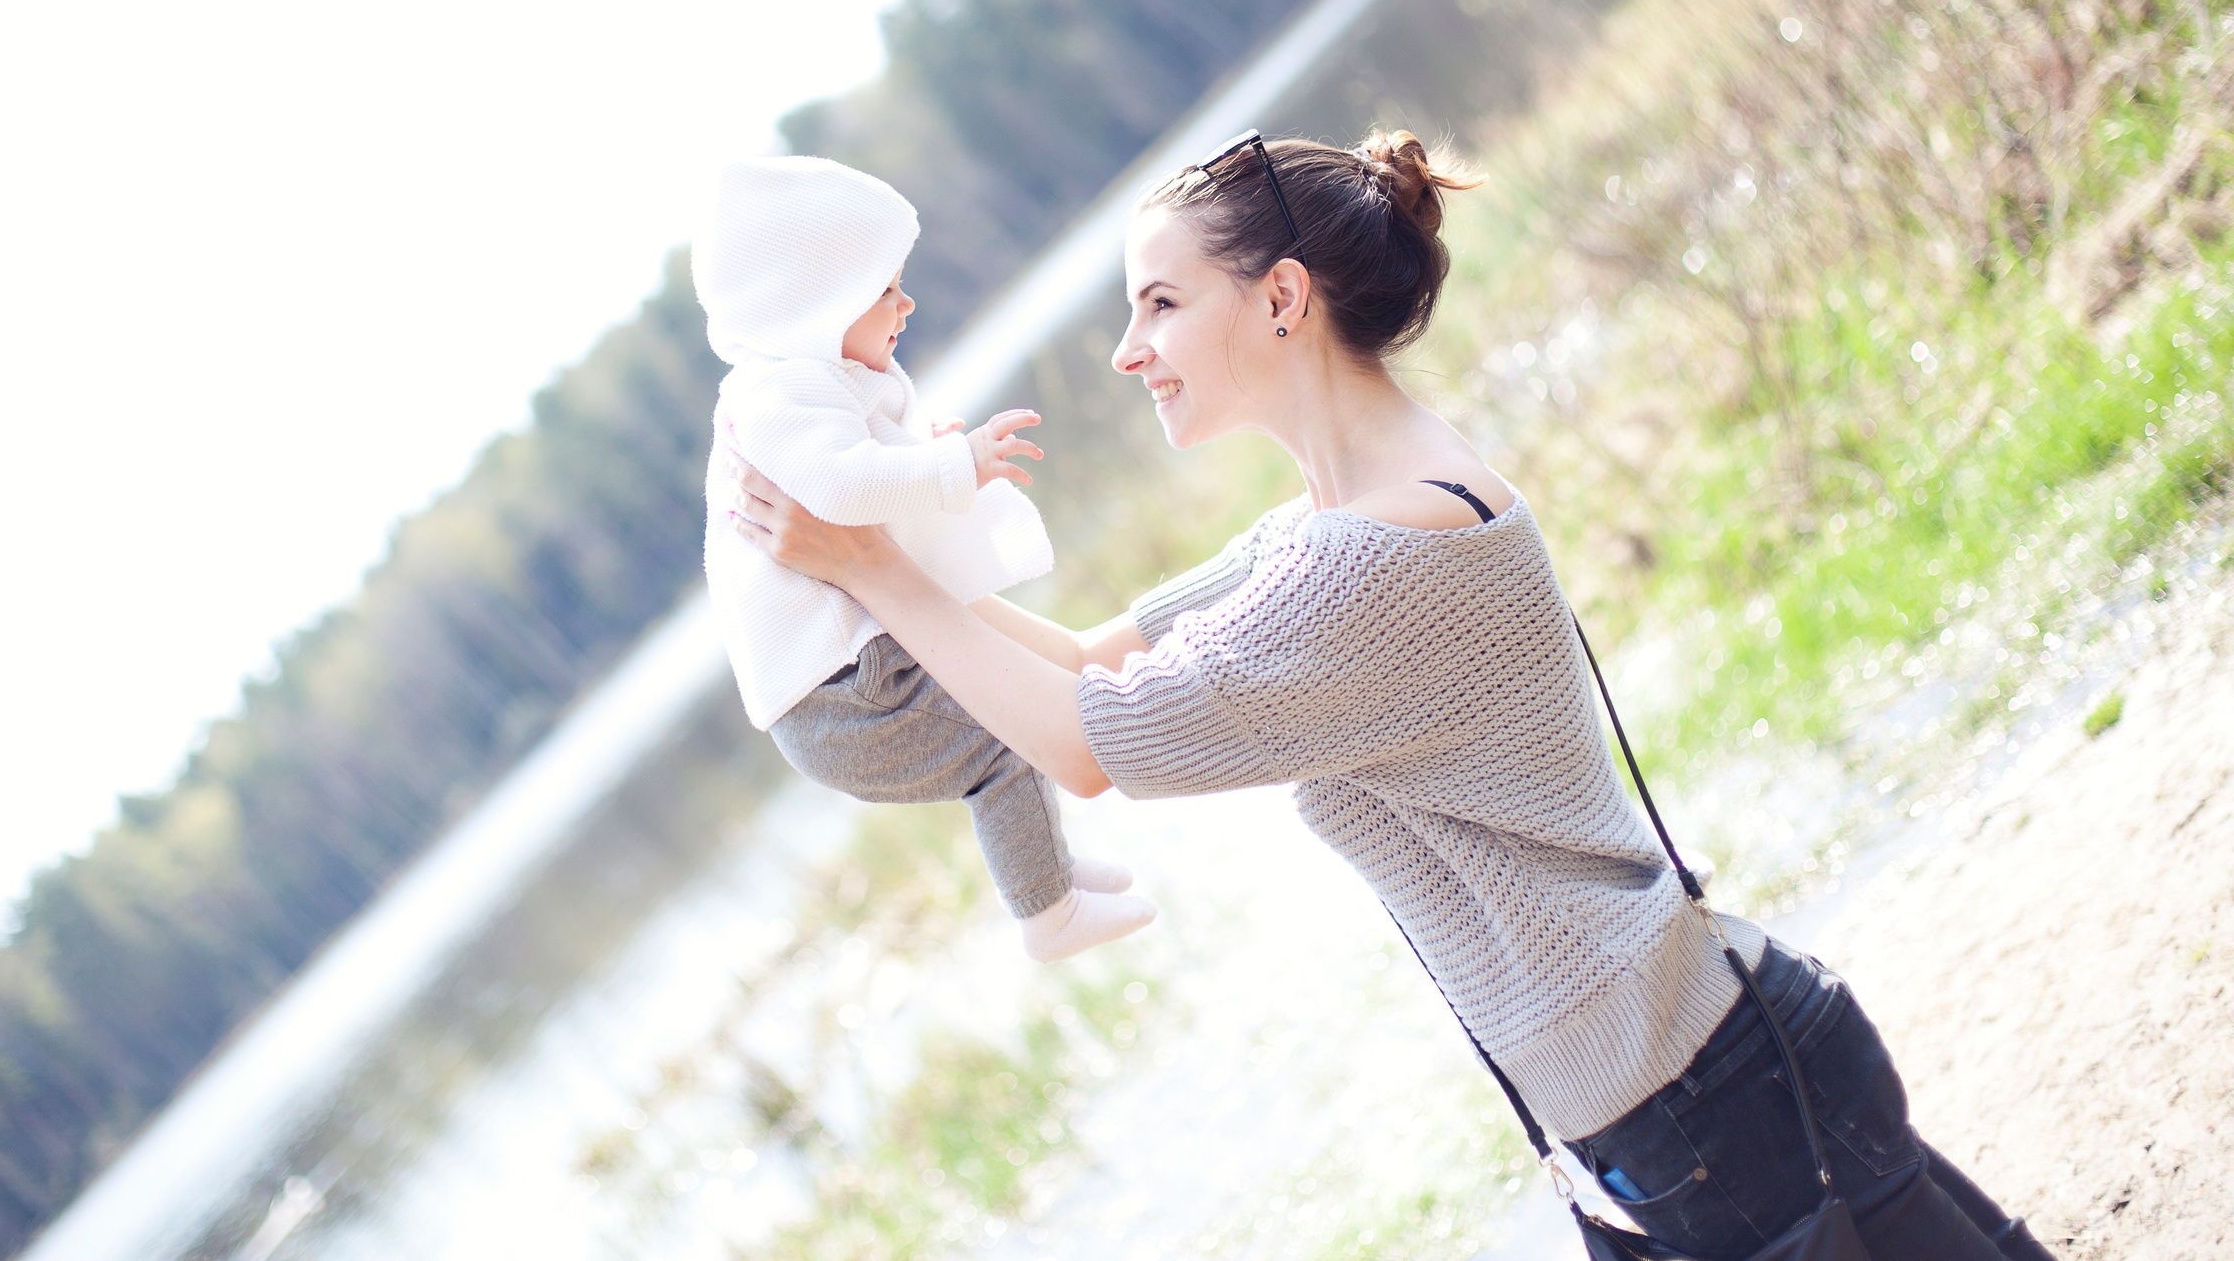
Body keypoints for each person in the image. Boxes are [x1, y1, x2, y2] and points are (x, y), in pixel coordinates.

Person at [722, 129, 2053, 1260]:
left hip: (1707, 1102)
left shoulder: (1363, 560)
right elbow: (1095, 658)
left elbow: (1085, 742)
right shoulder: (1354, 509)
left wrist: (880, 572)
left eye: (1161, 304)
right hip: (1697, 1075)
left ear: (1284, 296)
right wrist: (855, 594)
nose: (1129, 350)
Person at [694, 155, 1158, 962]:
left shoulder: (810, 383)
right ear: (816, 304)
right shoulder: (779, 396)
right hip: (844, 691)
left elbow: (855, 472)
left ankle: (1045, 866)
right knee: (1007, 737)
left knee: (1023, 703)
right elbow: (841, 487)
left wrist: (919, 449)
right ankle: (1046, 913)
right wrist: (954, 466)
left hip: (855, 670)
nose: (905, 304)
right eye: (883, 291)